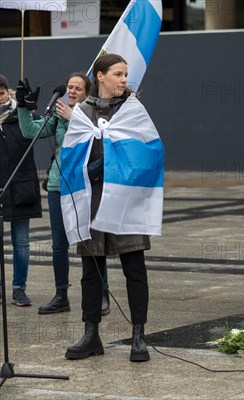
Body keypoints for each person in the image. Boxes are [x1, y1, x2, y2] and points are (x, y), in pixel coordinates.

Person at [64, 53, 162, 362]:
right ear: (101, 76)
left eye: (125, 74)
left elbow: (150, 152)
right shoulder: (82, 112)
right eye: (117, 74)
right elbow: (71, 152)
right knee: (91, 271)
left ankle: (138, 336)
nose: (123, 80)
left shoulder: (133, 110)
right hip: (91, 201)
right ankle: (91, 334)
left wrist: (112, 161)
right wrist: (90, 164)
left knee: (135, 268)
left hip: (126, 201)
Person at [17, 73, 111, 316]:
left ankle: (101, 294)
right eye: (69, 87)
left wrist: (75, 118)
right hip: (59, 186)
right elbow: (29, 132)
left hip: (84, 186)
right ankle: (61, 295)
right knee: (59, 245)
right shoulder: (58, 117)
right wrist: (24, 108)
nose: (71, 91)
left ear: (87, 93)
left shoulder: (94, 115)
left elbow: (99, 138)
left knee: (91, 242)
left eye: (77, 88)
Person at [0, 74, 42, 307]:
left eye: (2, 92)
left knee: (22, 242)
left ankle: (19, 288)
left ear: (8, 92)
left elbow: (36, 131)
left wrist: (28, 107)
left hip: (21, 187)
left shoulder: (23, 115)